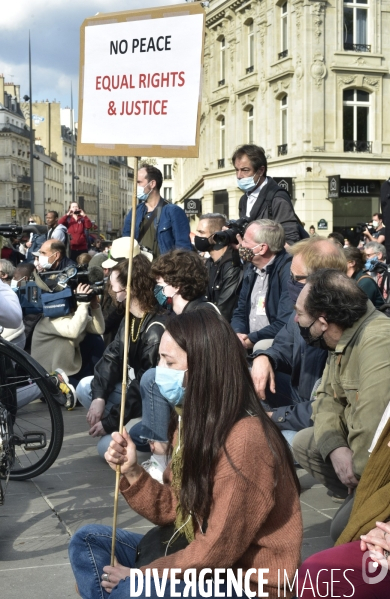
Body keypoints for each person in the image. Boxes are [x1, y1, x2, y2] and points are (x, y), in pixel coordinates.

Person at [69, 309, 302, 599]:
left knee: (130, 589)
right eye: (159, 360)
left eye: (169, 362)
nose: (159, 371)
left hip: (243, 581)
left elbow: (219, 547)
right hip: (196, 555)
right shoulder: (190, 419)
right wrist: (131, 470)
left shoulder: (246, 438)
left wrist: (143, 576)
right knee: (88, 541)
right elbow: (176, 509)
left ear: (202, 367)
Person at [292, 269, 390, 510]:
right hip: (360, 451)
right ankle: (355, 499)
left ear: (323, 321)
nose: (296, 320)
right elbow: (325, 397)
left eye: (300, 313)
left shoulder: (378, 339)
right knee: (306, 442)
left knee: (341, 533)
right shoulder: (341, 337)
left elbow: (372, 424)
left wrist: (357, 470)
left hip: (380, 463)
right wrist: (336, 448)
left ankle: (364, 503)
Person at [129, 248, 219, 480]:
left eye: (160, 283)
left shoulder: (200, 316)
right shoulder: (192, 311)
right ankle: (163, 444)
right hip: (188, 391)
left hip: (204, 396)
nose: (158, 290)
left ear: (176, 286)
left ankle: (160, 461)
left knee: (151, 379)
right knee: (138, 432)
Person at [250, 238, 347, 438]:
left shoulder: (343, 325)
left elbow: (327, 408)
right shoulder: (300, 313)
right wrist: (264, 358)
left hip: (320, 424)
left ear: (321, 281)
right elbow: (282, 347)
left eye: (296, 278)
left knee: (277, 442)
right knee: (246, 376)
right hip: (298, 398)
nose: (290, 283)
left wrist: (274, 417)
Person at [76, 255, 166, 458]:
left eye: (115, 287)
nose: (111, 291)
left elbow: (143, 384)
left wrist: (110, 421)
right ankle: (117, 427)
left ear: (131, 288)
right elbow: (111, 357)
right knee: (86, 386)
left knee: (104, 448)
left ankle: (134, 434)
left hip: (152, 403)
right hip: (135, 395)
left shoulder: (155, 329)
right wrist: (99, 397)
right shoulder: (130, 318)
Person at [31, 282, 105, 408]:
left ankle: (101, 379)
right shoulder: (49, 321)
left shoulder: (73, 316)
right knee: (90, 394)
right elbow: (73, 331)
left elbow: (98, 329)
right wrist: (82, 303)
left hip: (70, 371)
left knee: (95, 339)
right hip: (51, 379)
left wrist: (94, 306)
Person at [230, 219, 293, 351]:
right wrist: (238, 334)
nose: (241, 245)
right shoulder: (251, 269)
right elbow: (240, 311)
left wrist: (252, 339)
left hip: (277, 346)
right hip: (248, 342)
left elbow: (285, 322)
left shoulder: (288, 270)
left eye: (246, 241)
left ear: (262, 248)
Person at [233, 144, 300, 245]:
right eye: (237, 170)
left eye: (245, 170)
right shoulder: (244, 199)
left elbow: (290, 241)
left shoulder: (277, 198)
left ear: (261, 170)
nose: (239, 176)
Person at [123, 164, 192, 257]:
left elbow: (183, 249)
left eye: (139, 182)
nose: (135, 186)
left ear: (152, 184)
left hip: (164, 269)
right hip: (139, 269)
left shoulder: (173, 211)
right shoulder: (135, 212)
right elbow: (126, 242)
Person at [194, 213, 242, 321]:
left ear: (216, 236)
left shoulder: (232, 266)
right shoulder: (208, 264)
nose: (197, 237)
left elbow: (224, 310)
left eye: (201, 233)